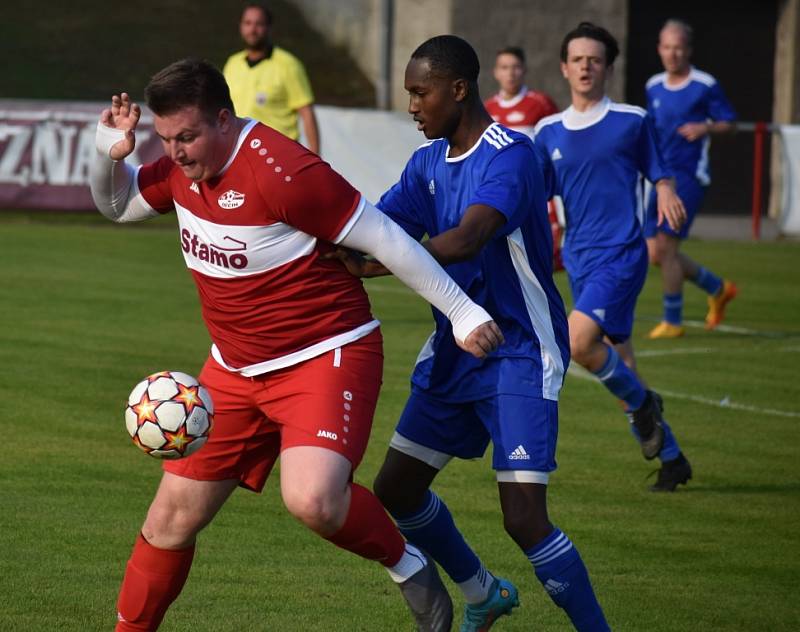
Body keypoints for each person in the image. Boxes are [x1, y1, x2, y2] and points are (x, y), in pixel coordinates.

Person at [89, 57, 505, 631]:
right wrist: (108, 151)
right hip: (233, 369)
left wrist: (461, 311)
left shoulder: (284, 172)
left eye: (187, 137)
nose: (176, 153)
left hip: (324, 353)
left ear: (224, 120)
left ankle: (413, 571)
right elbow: (116, 204)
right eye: (163, 140)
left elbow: (384, 236)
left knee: (312, 500)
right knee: (168, 522)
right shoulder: (182, 169)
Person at [330, 35, 609, 631]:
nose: (412, 106)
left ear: (458, 89)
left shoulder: (512, 154)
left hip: (518, 350)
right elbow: (376, 227)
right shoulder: (426, 163)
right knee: (396, 489)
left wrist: (375, 265)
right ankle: (482, 591)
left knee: (524, 518)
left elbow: (466, 238)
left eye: (420, 93)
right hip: (455, 352)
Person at [532, 23, 693, 492]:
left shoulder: (631, 120)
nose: (586, 66)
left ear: (607, 67)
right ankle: (672, 458)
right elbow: (535, 196)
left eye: (595, 59)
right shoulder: (547, 132)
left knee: (578, 342)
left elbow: (660, 171)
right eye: (577, 59)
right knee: (623, 367)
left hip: (622, 255)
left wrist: (664, 191)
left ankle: (646, 407)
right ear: (564, 68)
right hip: (580, 259)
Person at [644, 19, 738, 338]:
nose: (672, 54)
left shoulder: (704, 85)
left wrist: (705, 127)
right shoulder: (653, 85)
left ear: (688, 50)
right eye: (667, 47)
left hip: (688, 177)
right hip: (659, 176)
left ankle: (672, 320)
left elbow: (729, 122)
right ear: (660, 49)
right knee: (654, 252)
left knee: (667, 247)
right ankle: (718, 287)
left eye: (678, 47)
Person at [484, 46, 565, 272]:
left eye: (516, 67)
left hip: (535, 189)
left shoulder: (540, 103)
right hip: (501, 191)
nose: (510, 73)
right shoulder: (487, 108)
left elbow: (557, 142)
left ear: (524, 70)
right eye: (505, 67)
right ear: (496, 72)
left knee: (546, 256)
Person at [223, 3, 320, 154]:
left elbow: (306, 113)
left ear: (269, 28)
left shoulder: (288, 64)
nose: (252, 30)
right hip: (239, 152)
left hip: (279, 152)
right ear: (241, 26)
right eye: (248, 23)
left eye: (259, 24)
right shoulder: (232, 64)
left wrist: (315, 157)